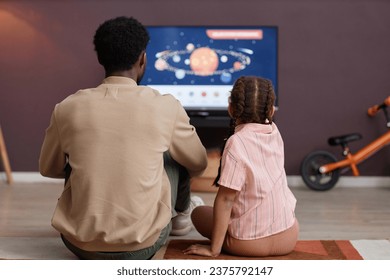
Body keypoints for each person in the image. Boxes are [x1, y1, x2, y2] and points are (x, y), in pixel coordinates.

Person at [39, 16, 208, 260]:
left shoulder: (67, 107)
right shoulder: (166, 106)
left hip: (79, 244)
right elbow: (198, 163)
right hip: (143, 246)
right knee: (174, 154)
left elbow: (48, 168)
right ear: (143, 59)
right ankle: (181, 215)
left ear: (101, 59)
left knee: (78, 159)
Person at [183, 76, 299, 258]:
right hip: (289, 237)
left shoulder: (237, 142)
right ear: (270, 110)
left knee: (198, 213)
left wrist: (214, 250)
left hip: (247, 245)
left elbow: (226, 200)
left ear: (231, 108)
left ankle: (220, 241)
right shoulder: (275, 133)